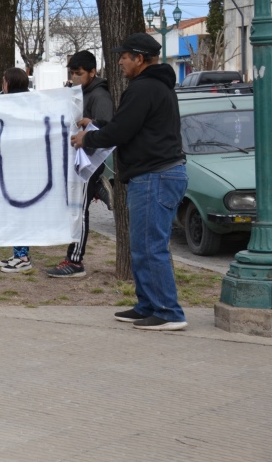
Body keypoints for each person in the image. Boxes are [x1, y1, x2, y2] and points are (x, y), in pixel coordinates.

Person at [71, 33, 188, 331]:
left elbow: (121, 132)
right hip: (155, 174)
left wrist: (89, 137)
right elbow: (131, 127)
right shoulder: (152, 87)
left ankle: (168, 312)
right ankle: (147, 305)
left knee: (151, 246)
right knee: (142, 245)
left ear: (140, 58)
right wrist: (97, 124)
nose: (120, 61)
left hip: (155, 175)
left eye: (124, 56)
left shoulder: (145, 88)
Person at [46, 51, 114, 278]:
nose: (75, 77)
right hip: (78, 160)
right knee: (74, 209)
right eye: (72, 73)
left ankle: (75, 261)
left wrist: (91, 124)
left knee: (79, 212)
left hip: (87, 163)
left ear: (92, 72)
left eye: (79, 73)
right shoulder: (79, 91)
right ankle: (99, 188)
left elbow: (106, 127)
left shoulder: (99, 96)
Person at [0, 67, 34, 274]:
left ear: (9, 83)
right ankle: (18, 253)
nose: (1, 84)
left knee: (19, 210)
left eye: (3, 81)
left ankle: (23, 257)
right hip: (18, 165)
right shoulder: (25, 102)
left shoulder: (17, 105)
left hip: (20, 167)